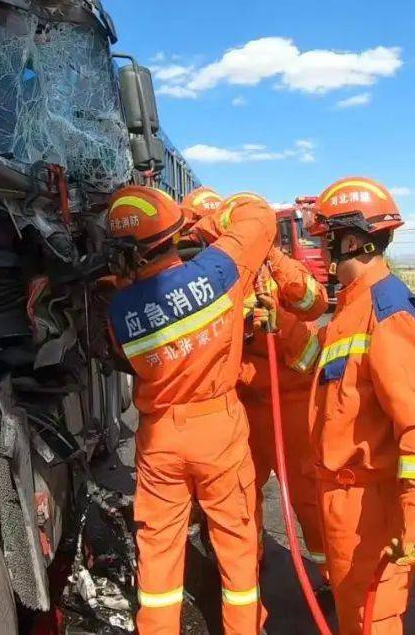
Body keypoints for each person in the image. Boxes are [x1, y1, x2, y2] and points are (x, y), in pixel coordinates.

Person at [105, 184, 274, 635]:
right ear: (172, 234)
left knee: (158, 548)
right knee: (236, 545)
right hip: (217, 426)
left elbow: (120, 354)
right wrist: (203, 220)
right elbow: (259, 214)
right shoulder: (219, 270)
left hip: (159, 436)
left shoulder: (119, 308)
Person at [309, 176, 415, 634]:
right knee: (355, 617)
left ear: (352, 241)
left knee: (372, 621)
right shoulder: (351, 306)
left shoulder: (387, 310)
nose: (323, 253)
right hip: (345, 504)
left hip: (371, 510)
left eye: (327, 241)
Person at [222, 193, 329, 573]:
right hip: (246, 404)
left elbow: (314, 304)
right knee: (241, 494)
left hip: (293, 404)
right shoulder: (218, 274)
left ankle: (331, 574)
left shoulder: (276, 267)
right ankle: (247, 568)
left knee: (308, 495)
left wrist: (271, 262)